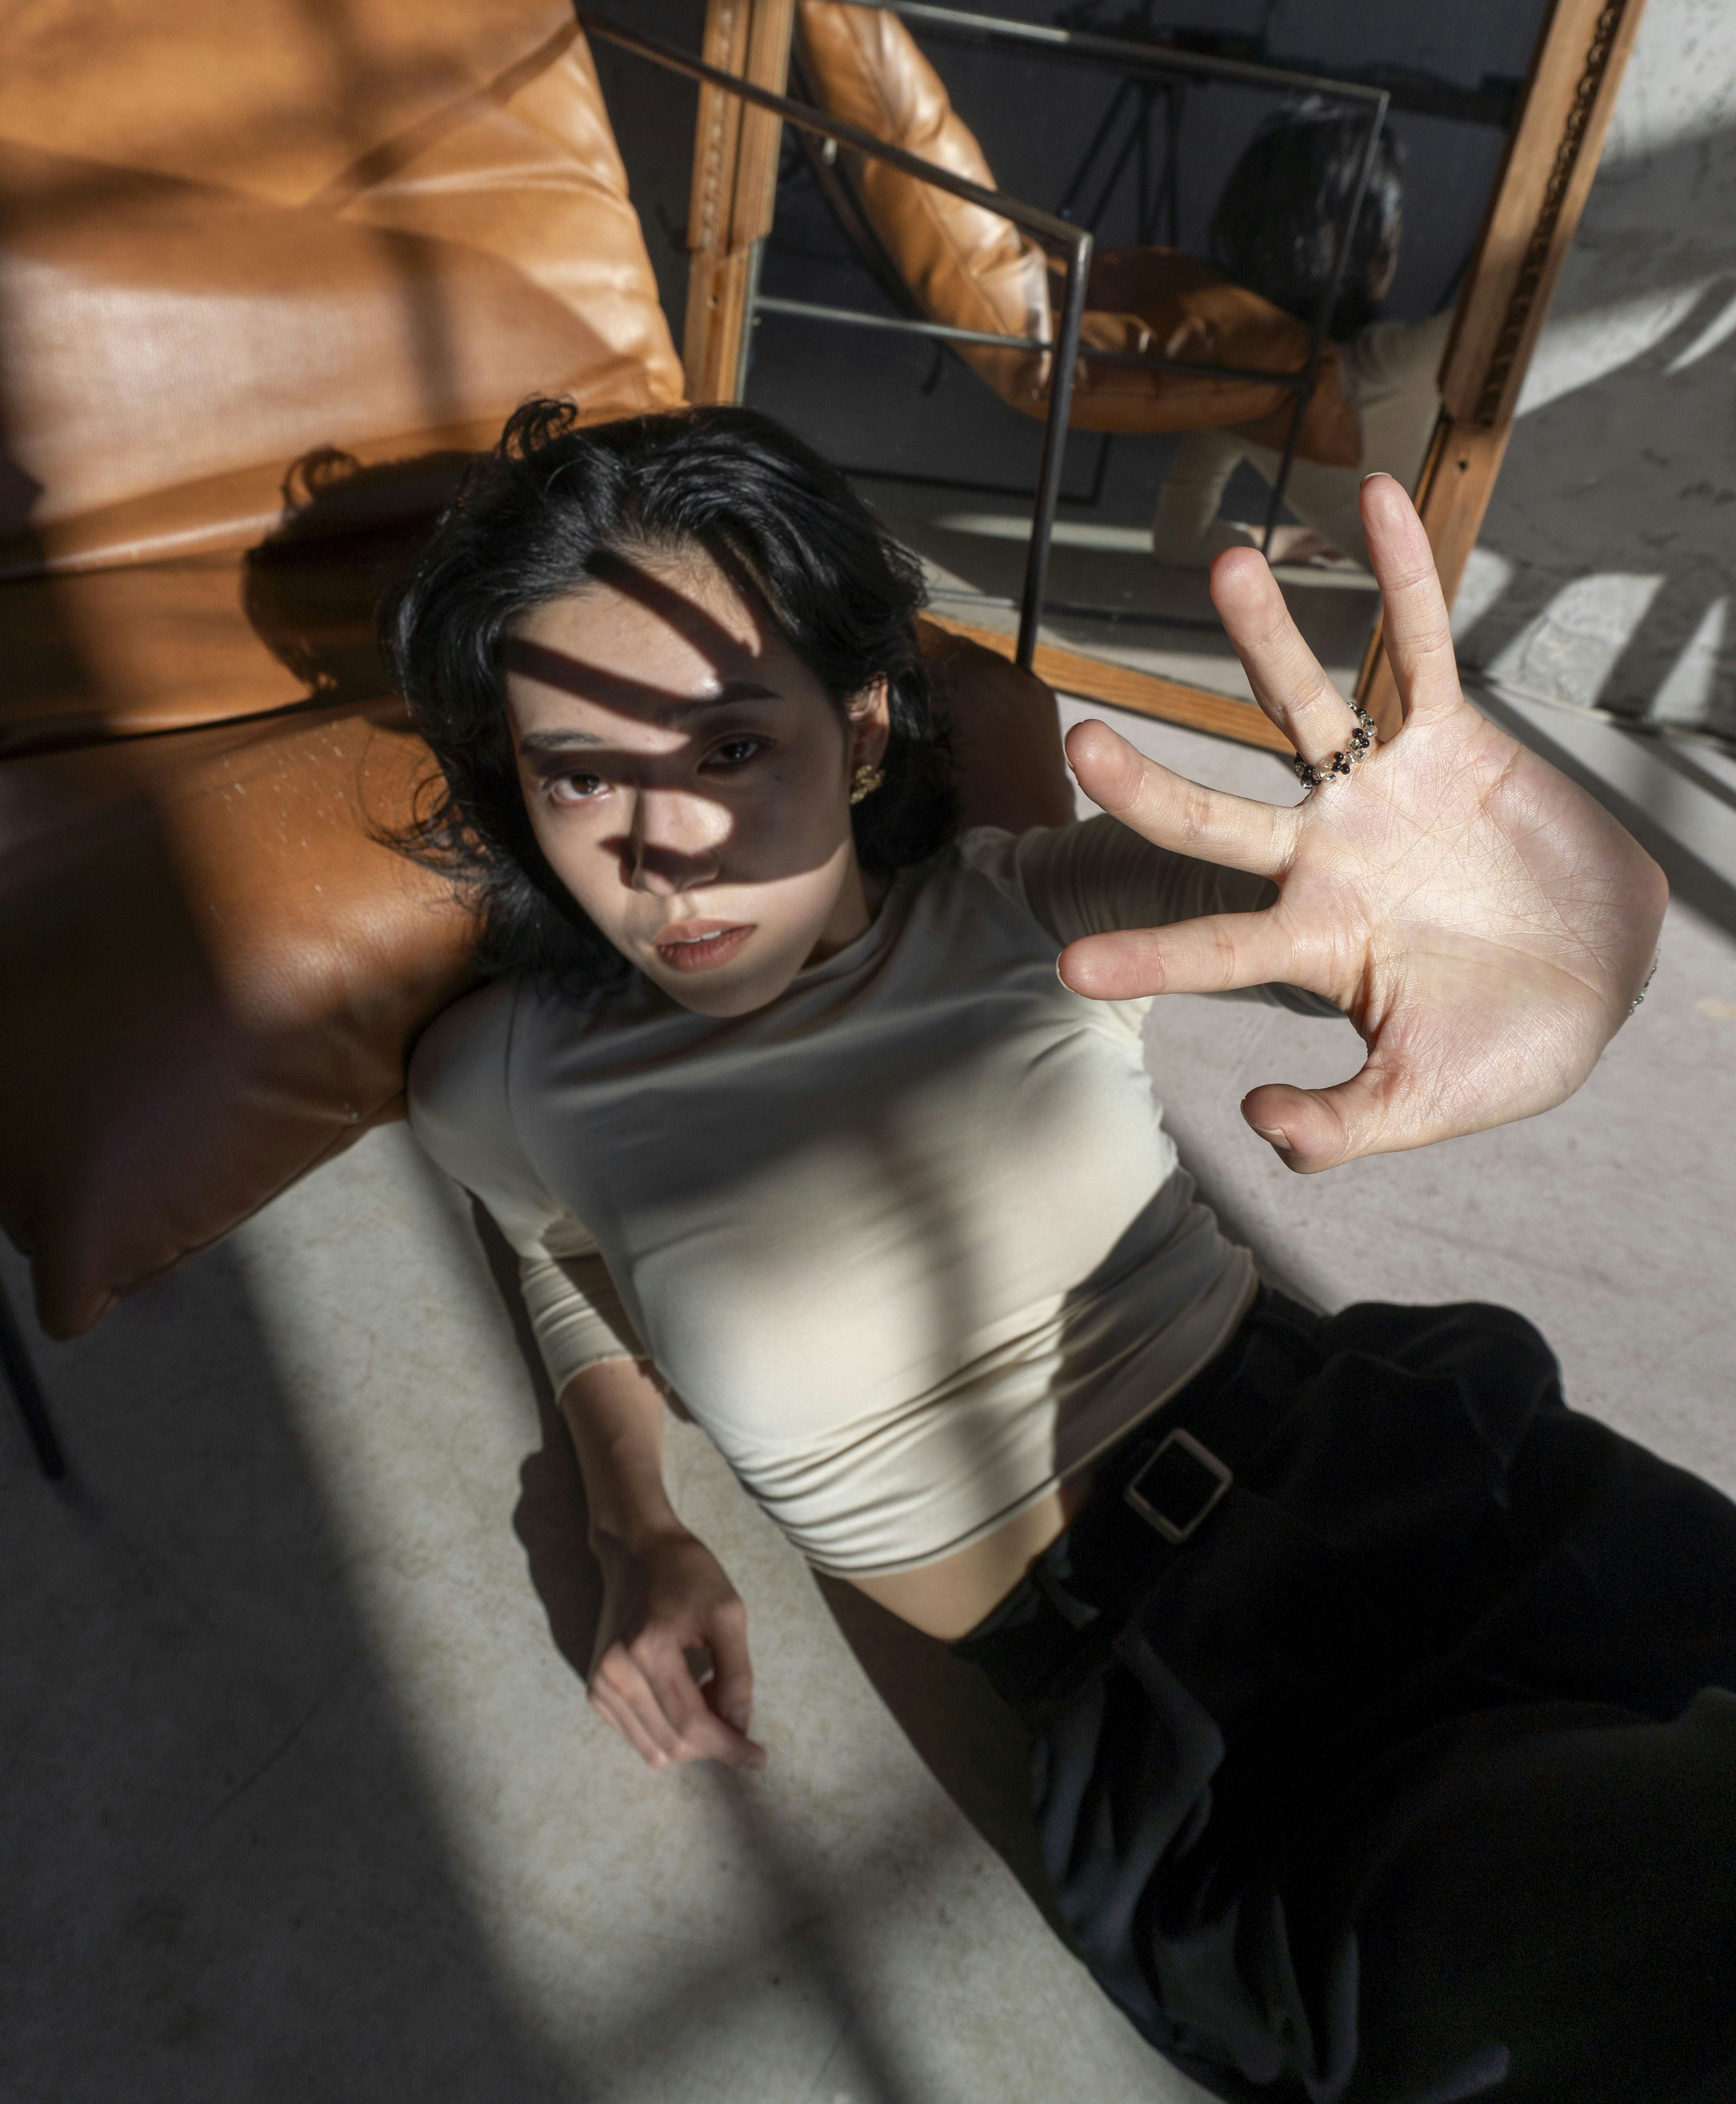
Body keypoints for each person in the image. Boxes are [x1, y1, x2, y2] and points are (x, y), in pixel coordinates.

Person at [385, 399, 1735, 2104]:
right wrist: (629, 1514)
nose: (665, 848)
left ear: (859, 725)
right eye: (580, 771)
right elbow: (560, 1245)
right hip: (1200, 1735)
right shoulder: (504, 1074)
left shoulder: (1027, 908)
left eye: (731, 745)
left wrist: (1568, 943)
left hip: (1425, 1466)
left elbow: (1361, 934)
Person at [1154, 100, 1451, 575]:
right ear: (1378, 241)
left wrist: (1285, 541)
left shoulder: (1241, 396)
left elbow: (1178, 540)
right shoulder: (1404, 362)